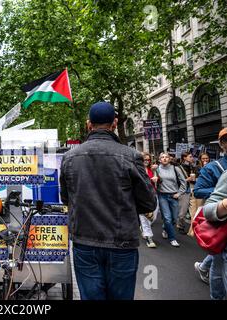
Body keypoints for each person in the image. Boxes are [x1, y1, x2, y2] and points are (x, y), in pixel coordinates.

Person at [59, 101, 156, 300]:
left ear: (88, 124)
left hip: (84, 241)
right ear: (115, 123)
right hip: (121, 243)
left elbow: (66, 198)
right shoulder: (130, 155)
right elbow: (148, 202)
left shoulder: (69, 158)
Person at [193, 128, 227, 296]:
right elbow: (198, 191)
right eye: (226, 140)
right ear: (222, 145)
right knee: (218, 262)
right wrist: (220, 194)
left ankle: (203, 266)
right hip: (220, 222)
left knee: (217, 259)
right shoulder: (214, 167)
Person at [202, 170, 227, 300]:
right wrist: (225, 204)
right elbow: (207, 210)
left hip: (221, 244)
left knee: (217, 267)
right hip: (222, 238)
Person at [155, 152, 186, 247]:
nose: (164, 159)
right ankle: (172, 238)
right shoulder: (156, 169)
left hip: (174, 196)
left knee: (173, 218)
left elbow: (183, 182)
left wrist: (179, 193)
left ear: (169, 159)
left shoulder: (175, 168)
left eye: (166, 157)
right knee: (167, 218)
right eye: (162, 157)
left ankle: (165, 228)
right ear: (159, 159)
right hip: (162, 196)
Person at [140, 152, 159, 248]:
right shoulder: (137, 169)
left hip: (153, 194)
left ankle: (144, 229)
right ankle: (149, 237)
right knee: (144, 216)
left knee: (154, 216)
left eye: (148, 160)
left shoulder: (152, 169)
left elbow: (158, 180)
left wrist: (156, 178)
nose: (146, 161)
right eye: (144, 159)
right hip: (142, 196)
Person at [175, 152, 196, 234]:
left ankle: (192, 228)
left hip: (192, 189)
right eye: (190, 156)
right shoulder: (179, 168)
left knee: (193, 211)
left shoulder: (192, 166)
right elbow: (177, 181)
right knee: (182, 211)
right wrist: (188, 179)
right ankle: (180, 225)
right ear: (184, 158)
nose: (192, 158)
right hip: (184, 190)